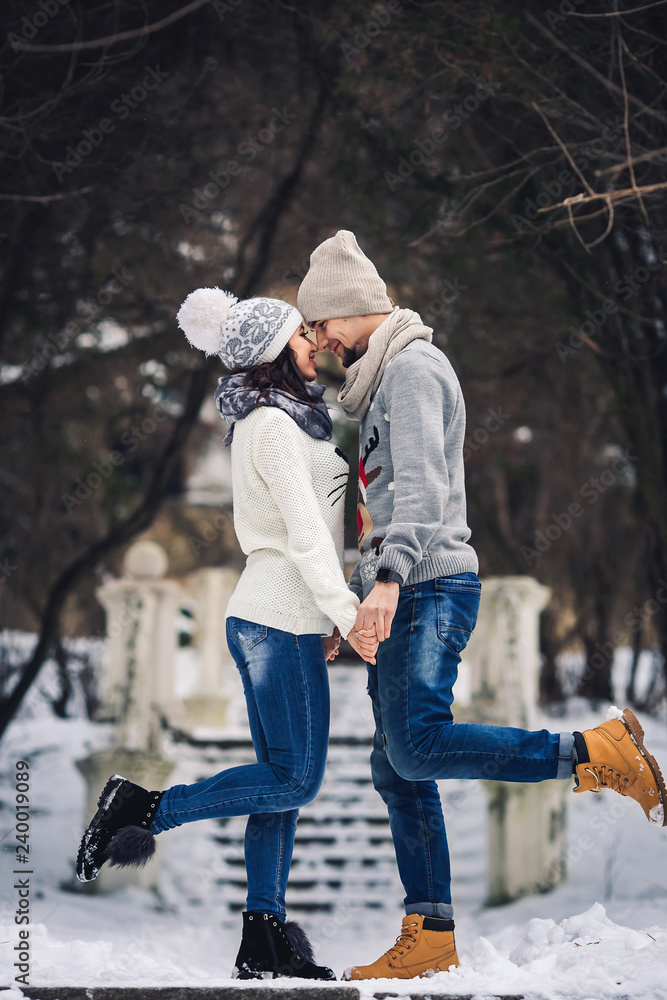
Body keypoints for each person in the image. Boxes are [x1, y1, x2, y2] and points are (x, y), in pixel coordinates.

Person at [296, 229, 667, 981]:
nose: (318, 340)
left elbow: (426, 491)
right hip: (402, 584)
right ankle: (428, 933)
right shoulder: (378, 382)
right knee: (397, 769)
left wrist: (390, 582)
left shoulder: (413, 369)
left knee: (415, 746)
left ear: (348, 308)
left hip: (428, 584)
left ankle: (596, 753)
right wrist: (356, 597)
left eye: (319, 323)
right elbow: (383, 499)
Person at [75, 288, 379, 980]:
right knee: (295, 780)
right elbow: (303, 533)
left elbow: (330, 515)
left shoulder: (299, 421)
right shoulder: (270, 424)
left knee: (279, 785)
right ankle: (143, 807)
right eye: (300, 335)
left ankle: (263, 935)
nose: (313, 343)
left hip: (287, 619)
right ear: (273, 350)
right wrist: (347, 614)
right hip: (275, 615)